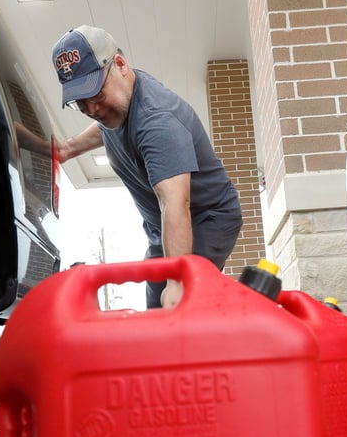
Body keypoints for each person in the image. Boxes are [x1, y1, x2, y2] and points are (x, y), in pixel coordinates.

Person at [51, 25, 243, 308]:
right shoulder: (119, 104)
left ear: (120, 65)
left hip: (206, 218)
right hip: (160, 224)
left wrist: (178, 281)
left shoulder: (158, 122)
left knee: (180, 302)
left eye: (96, 95)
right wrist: (68, 148)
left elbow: (176, 202)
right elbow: (105, 128)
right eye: (79, 101)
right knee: (155, 307)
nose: (91, 109)